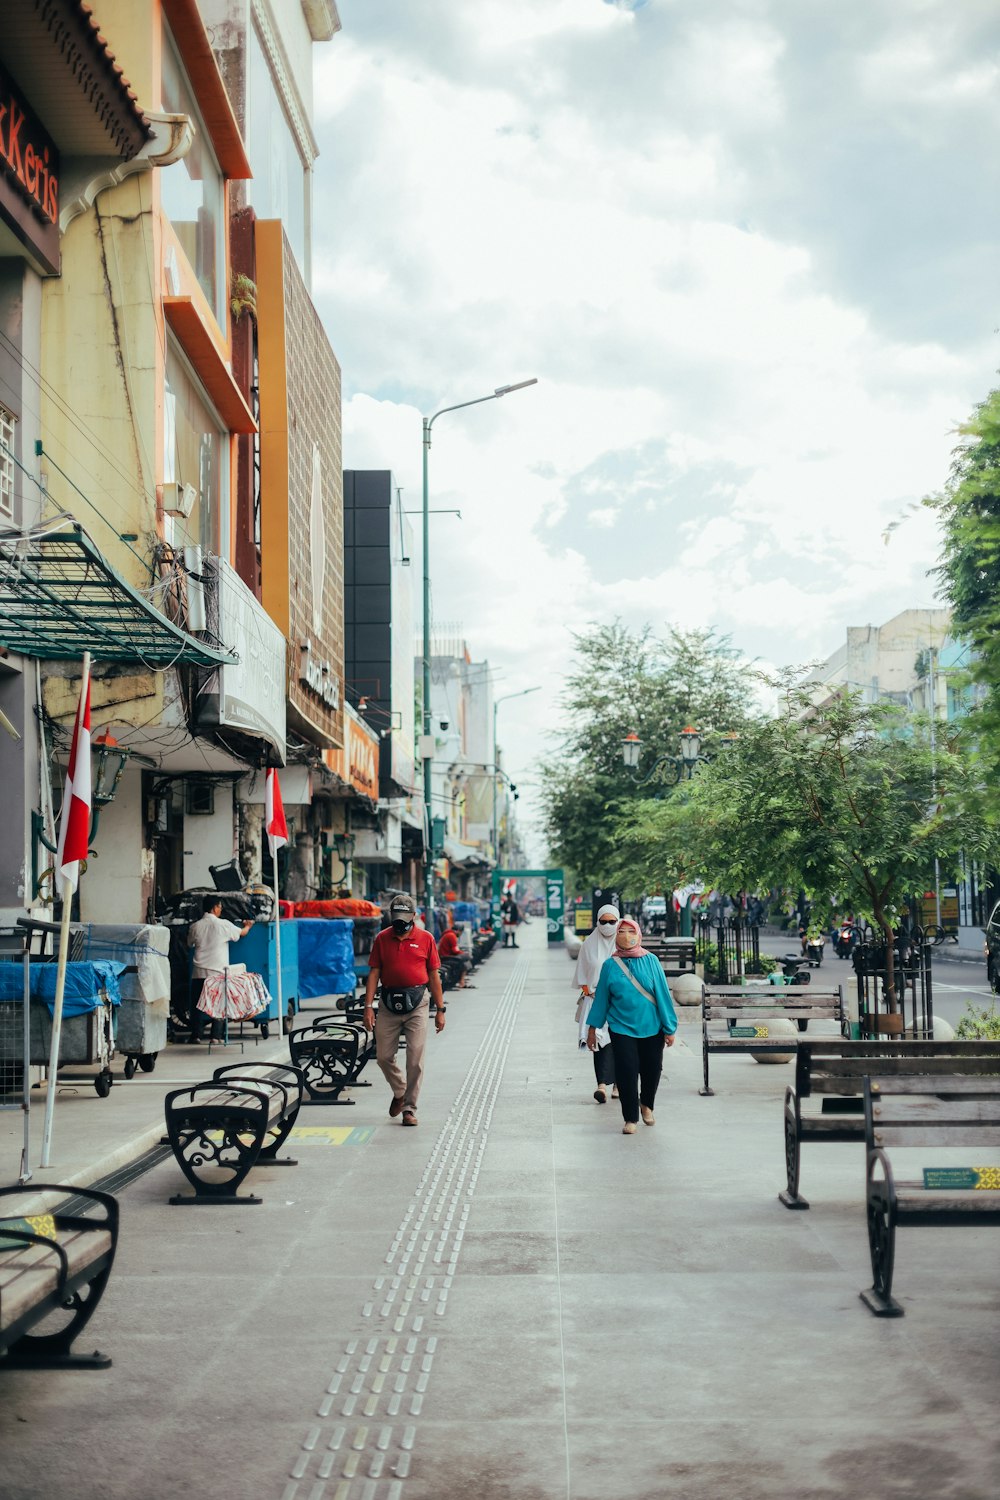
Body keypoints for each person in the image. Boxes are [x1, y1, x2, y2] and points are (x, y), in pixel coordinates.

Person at [587, 916, 677, 1134]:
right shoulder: (610, 965)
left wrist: (669, 1027)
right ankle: (630, 1118)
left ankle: (647, 1104)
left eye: (631, 931)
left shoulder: (651, 961)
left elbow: (663, 995)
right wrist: (593, 1029)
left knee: (652, 1069)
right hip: (621, 1027)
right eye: (622, 932)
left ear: (638, 934)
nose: (627, 936)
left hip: (652, 1026)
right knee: (626, 1071)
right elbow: (601, 1000)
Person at [363, 893, 446, 1127]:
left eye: (404, 918)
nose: (399, 923)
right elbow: (374, 973)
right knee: (383, 1057)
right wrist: (368, 1007)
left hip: (418, 1002)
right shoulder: (382, 939)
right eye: (395, 918)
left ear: (414, 916)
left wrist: (441, 1009)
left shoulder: (426, 938)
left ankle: (409, 1108)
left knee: (415, 1058)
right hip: (388, 1003)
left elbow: (433, 976)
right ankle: (400, 1092)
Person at [187, 894, 253, 1042]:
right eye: (220, 907)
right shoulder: (223, 924)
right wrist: (248, 925)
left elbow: (189, 943)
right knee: (219, 1004)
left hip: (198, 972)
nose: (221, 910)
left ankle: (196, 1036)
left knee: (197, 1006)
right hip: (216, 973)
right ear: (214, 908)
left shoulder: (195, 926)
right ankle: (215, 1037)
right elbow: (241, 933)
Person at [573, 903, 620, 1103]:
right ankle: (601, 1084)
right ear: (597, 922)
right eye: (604, 921)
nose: (608, 925)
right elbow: (582, 974)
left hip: (619, 1002)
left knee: (620, 1041)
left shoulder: (623, 942)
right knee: (598, 1042)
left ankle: (619, 1083)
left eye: (612, 921)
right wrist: (589, 991)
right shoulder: (589, 945)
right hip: (595, 1000)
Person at [439, 922, 474, 989]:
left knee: (464, 960)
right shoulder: (451, 935)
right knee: (464, 962)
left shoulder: (448, 934)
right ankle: (461, 982)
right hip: (446, 957)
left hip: (445, 956)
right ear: (458, 931)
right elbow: (455, 950)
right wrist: (464, 953)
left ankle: (461, 980)